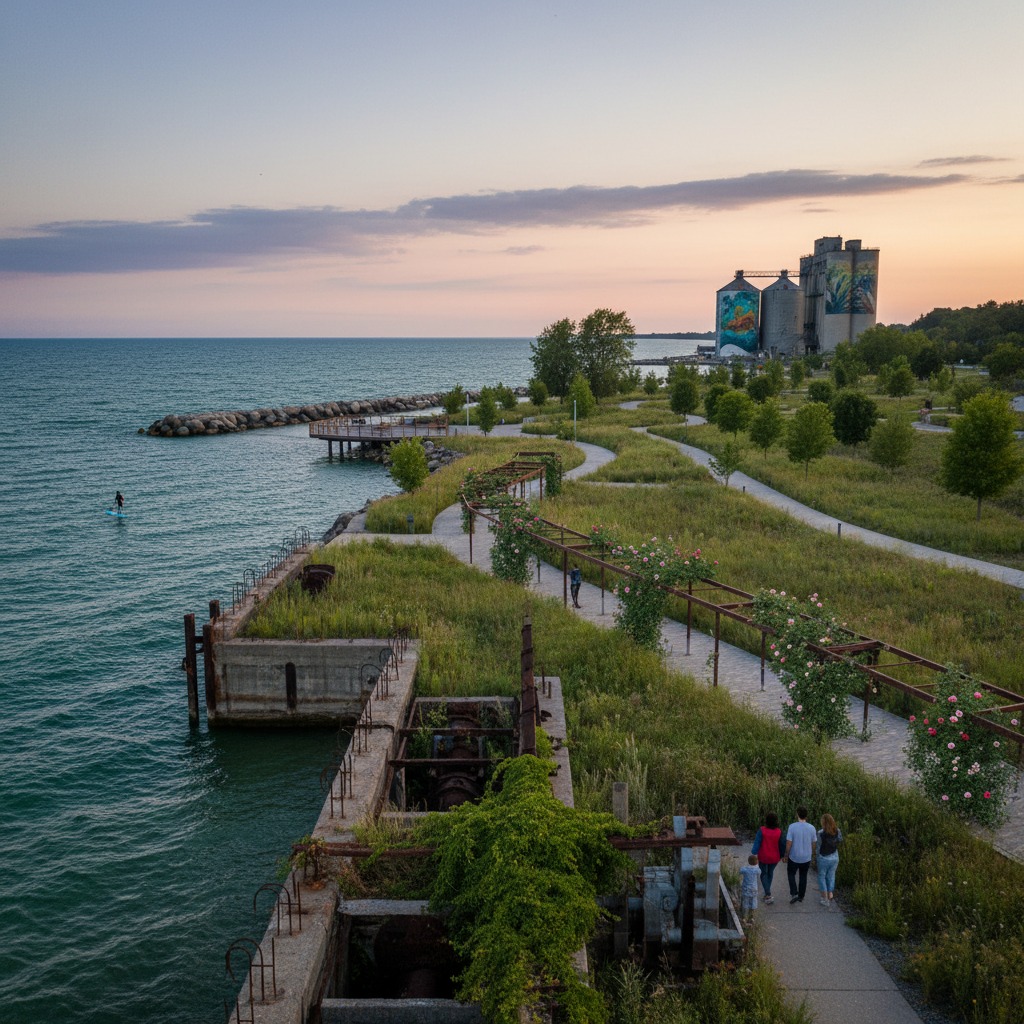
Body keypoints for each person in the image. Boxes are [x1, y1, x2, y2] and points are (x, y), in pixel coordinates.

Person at [784, 805, 817, 904]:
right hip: (806, 857)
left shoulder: (792, 826)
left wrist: (786, 855)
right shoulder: (812, 827)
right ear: (806, 816)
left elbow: (789, 842)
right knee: (803, 876)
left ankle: (794, 893)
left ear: (797, 814)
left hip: (794, 856)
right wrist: (812, 854)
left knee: (791, 874)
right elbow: (814, 843)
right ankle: (801, 896)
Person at [751, 811, 784, 904]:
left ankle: (768, 893)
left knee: (763, 874)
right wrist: (782, 855)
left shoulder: (762, 830)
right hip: (775, 857)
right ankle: (767, 893)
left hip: (763, 856)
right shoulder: (779, 831)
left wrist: (754, 852)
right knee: (770, 873)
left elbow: (757, 842)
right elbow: (782, 844)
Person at [816, 813, 843, 908]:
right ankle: (830, 893)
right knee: (831, 875)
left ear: (823, 822)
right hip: (835, 857)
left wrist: (816, 857)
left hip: (823, 857)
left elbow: (818, 847)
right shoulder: (837, 831)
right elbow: (840, 840)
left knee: (822, 876)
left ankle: (825, 898)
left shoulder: (820, 833)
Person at [739, 854, 760, 923]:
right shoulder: (757, 870)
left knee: (746, 902)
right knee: (753, 902)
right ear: (756, 862)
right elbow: (760, 872)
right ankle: (752, 917)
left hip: (746, 889)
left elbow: (740, 871)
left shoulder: (745, 869)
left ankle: (744, 917)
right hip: (754, 889)